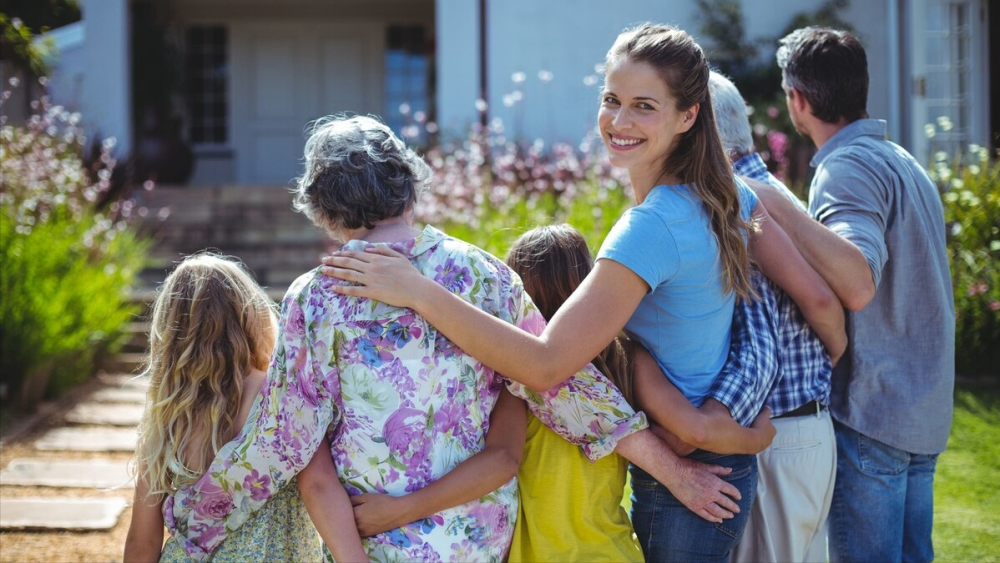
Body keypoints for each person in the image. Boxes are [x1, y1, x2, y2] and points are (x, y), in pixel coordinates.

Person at [321, 24, 844, 562]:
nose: (619, 121)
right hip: (710, 459)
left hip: (686, 481)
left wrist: (419, 291)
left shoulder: (652, 227)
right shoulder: (720, 194)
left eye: (644, 106)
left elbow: (545, 364)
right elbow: (817, 301)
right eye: (611, 100)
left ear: (688, 116)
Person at [162, 114, 745, 562]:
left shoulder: (317, 298)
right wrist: (674, 471)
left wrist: (194, 518)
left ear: (324, 207)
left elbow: (283, 438)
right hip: (477, 535)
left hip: (374, 535)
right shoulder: (483, 275)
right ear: (408, 185)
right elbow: (563, 383)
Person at [345, 223, 778, 563]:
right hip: (611, 553)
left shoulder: (513, 380)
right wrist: (755, 437)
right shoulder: (627, 360)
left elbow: (500, 458)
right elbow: (685, 434)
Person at [750, 27, 955, 563]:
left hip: (874, 412)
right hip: (920, 409)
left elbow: (859, 281)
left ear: (798, 99)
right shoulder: (901, 160)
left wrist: (774, 200)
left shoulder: (847, 168)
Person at [122, 253, 367, 563]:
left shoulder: (166, 418)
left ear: (169, 332)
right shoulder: (280, 398)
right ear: (252, 316)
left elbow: (142, 541)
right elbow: (318, 486)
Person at [709, 70, 839, 563]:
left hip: (779, 430)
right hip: (802, 427)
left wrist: (837, 348)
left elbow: (820, 301)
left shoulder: (739, 199)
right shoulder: (777, 191)